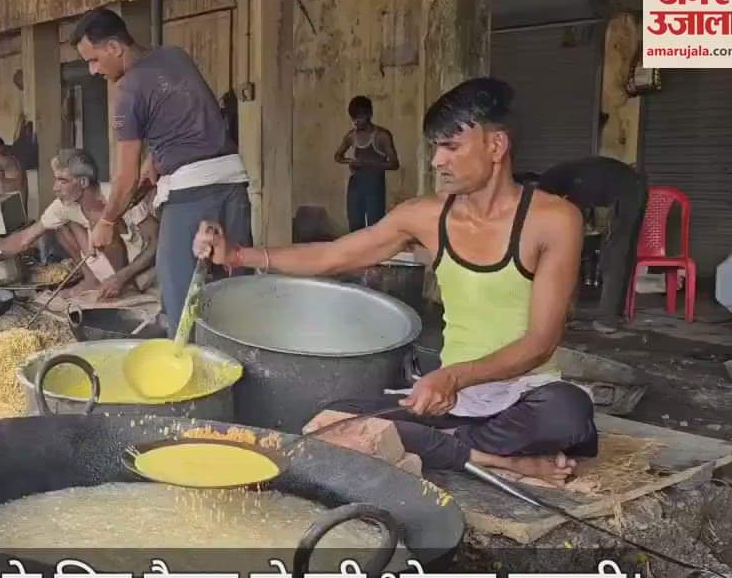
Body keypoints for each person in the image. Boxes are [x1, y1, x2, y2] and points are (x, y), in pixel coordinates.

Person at [193, 77, 598, 486]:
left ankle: (442, 448)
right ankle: (496, 460)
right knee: (334, 418)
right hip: (452, 403)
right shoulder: (423, 215)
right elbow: (333, 255)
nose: (437, 161)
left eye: (451, 147)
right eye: (435, 148)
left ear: (496, 146)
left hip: (525, 395)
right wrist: (239, 255)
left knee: (566, 414)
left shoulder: (554, 220)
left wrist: (454, 377)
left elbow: (540, 342)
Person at [69, 7, 252, 333]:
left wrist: (107, 222)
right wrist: (155, 158)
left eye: (94, 60)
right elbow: (186, 115)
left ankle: (185, 361)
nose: (93, 70)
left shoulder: (127, 92)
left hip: (191, 194)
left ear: (114, 47)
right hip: (233, 181)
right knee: (236, 280)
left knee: (179, 298)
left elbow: (125, 177)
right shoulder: (175, 56)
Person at [0, 148, 159, 299]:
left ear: (83, 182)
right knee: (60, 224)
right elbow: (23, 239)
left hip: (139, 271)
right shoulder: (64, 205)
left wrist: (122, 277)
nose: (55, 187)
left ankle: (123, 290)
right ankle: (91, 281)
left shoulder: (118, 197)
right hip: (107, 269)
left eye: (62, 180)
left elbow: (157, 242)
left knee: (104, 227)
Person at [535, 156, 648, 326]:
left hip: (625, 189)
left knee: (614, 254)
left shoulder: (549, 185)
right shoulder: (566, 179)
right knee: (622, 252)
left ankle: (607, 319)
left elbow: (566, 217)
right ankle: (614, 313)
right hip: (634, 185)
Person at [333, 95, 399, 231]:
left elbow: (394, 164)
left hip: (374, 185)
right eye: (353, 118)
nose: (356, 122)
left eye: (360, 117)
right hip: (356, 184)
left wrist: (367, 164)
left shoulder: (382, 136)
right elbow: (338, 156)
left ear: (369, 114)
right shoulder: (351, 136)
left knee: (375, 226)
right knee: (355, 226)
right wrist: (350, 161)